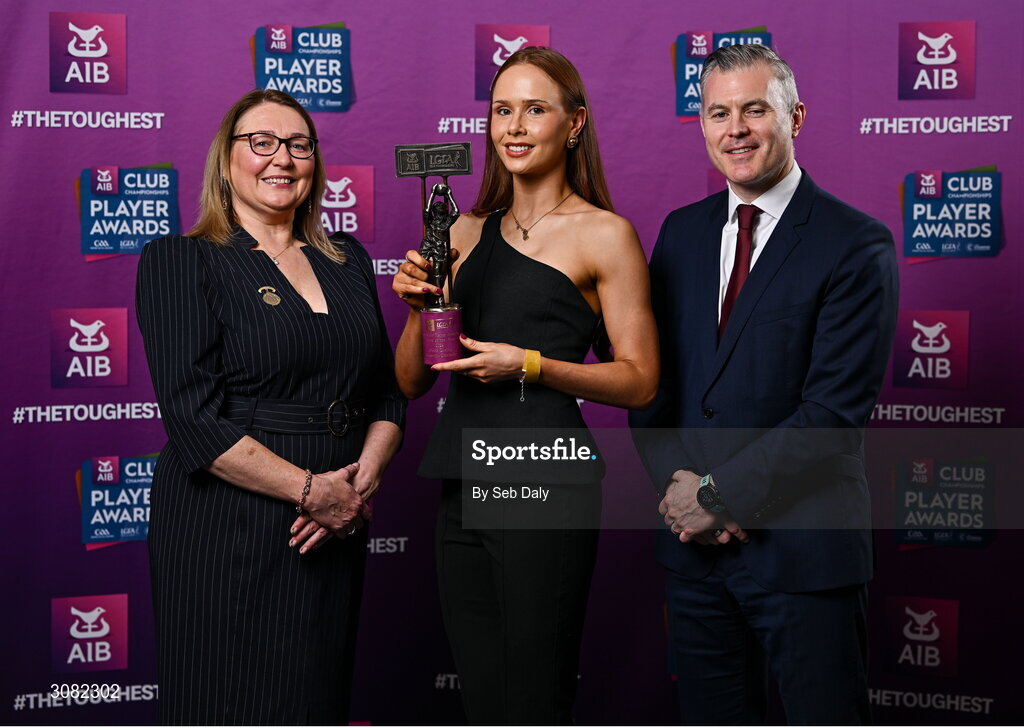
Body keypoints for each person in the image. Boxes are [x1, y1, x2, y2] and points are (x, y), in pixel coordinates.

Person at [629, 45, 898, 724]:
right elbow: (651, 387)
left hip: (805, 555)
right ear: (702, 124)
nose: (736, 129)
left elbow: (833, 414)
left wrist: (717, 496)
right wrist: (682, 498)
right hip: (695, 559)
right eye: (719, 112)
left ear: (795, 116)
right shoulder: (681, 235)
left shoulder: (855, 244)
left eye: (755, 109)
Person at [392, 47, 658, 724]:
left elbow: (641, 381)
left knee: (533, 694)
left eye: (534, 109)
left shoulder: (605, 235)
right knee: (484, 695)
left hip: (545, 478)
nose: (513, 126)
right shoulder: (460, 228)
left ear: (573, 124)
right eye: (501, 110)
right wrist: (421, 304)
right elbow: (411, 380)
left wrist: (530, 365)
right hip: (461, 477)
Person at [136, 89, 405, 725]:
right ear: (225, 160)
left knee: (313, 699)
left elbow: (386, 392)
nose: (280, 158)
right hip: (227, 523)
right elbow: (192, 418)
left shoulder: (348, 260)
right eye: (261, 142)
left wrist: (355, 487)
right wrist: (311, 490)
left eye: (298, 144)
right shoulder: (183, 259)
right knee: (226, 702)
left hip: (333, 524)